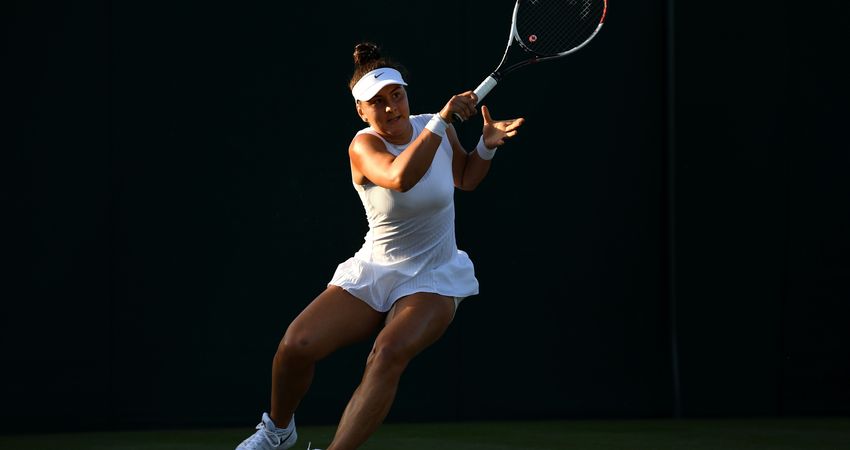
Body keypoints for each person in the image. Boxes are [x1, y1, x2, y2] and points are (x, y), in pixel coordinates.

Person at [236, 42, 525, 450]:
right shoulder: (364, 145)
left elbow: (465, 177)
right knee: (294, 346)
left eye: (397, 95)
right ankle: (277, 432)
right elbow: (399, 178)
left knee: (387, 353)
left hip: (433, 276)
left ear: (406, 93)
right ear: (362, 111)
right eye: (377, 103)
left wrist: (483, 147)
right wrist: (441, 121)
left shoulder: (434, 131)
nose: (391, 108)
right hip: (375, 269)